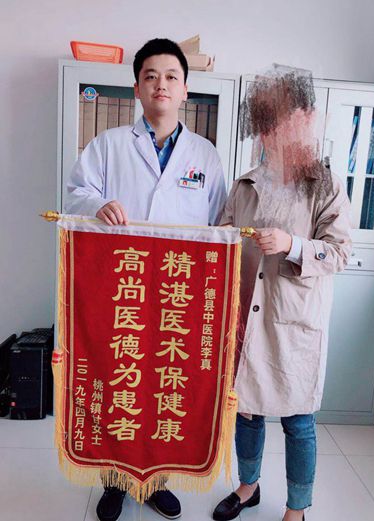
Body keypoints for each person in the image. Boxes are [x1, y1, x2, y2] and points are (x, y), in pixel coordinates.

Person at [66, 38, 227, 521]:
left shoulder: (205, 155)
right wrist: (98, 204)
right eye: (150, 76)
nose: (161, 84)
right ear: (137, 88)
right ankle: (115, 480)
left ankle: (156, 479)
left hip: (178, 293)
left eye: (171, 76)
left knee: (164, 386)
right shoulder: (109, 145)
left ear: (185, 90)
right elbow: (75, 194)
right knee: (121, 381)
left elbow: (219, 223)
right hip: (123, 289)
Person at [212, 68, 352, 521]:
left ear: (304, 118)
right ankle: (248, 486)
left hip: (294, 320)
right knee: (247, 410)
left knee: (298, 420)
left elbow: (339, 253)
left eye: (284, 118)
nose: (274, 131)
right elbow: (220, 240)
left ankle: (296, 508)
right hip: (245, 316)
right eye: (266, 121)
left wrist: (291, 244)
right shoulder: (245, 184)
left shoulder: (325, 184)